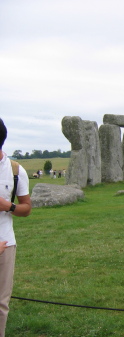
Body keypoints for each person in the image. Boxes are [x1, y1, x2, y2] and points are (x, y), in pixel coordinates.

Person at [0, 118, 32, 337]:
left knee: (1, 303)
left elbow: (26, 208)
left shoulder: (15, 170)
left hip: (6, 243)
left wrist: (8, 206)